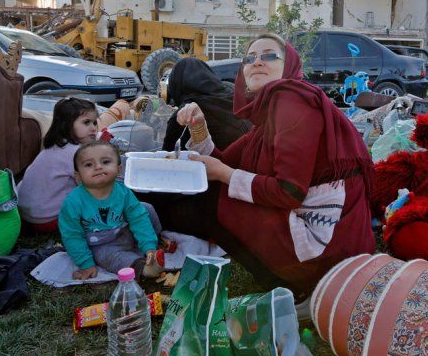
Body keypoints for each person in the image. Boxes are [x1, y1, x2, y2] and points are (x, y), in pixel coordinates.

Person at [160, 33, 376, 295]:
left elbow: (288, 191)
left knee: (213, 199)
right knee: (216, 191)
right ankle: (286, 280)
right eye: (249, 58)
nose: (257, 62)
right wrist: (199, 127)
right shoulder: (270, 115)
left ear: (290, 65)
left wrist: (225, 174)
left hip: (327, 242)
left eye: (269, 56)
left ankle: (294, 285)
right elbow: (223, 162)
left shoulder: (292, 102)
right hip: (327, 231)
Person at [59, 141, 163, 280]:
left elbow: (138, 219)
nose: (98, 167)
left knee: (145, 208)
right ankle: (142, 267)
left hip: (125, 231)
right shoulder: (73, 202)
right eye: (89, 164)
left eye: (106, 162)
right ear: (78, 177)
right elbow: (72, 235)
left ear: (119, 169)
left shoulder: (123, 192)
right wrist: (85, 263)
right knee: (107, 257)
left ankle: (154, 247)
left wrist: (149, 245)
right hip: (101, 244)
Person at [17, 97, 98, 232]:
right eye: (86, 122)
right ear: (67, 124)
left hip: (24, 213)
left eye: (95, 123)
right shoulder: (77, 153)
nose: (93, 128)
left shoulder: (55, 146)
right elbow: (92, 187)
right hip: (47, 219)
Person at [161, 58, 250, 152]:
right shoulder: (231, 91)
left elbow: (166, 154)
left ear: (175, 83)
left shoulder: (185, 113)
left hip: (216, 159)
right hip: (248, 153)